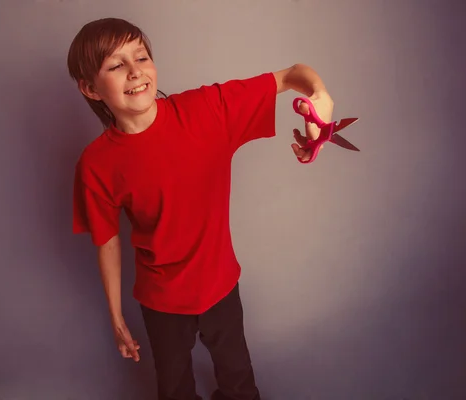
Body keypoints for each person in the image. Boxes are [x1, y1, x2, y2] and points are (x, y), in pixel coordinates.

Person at [67, 17, 334, 400]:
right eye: (115, 65)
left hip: (221, 286)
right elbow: (107, 242)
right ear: (90, 88)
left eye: (141, 57)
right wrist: (115, 315)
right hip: (161, 301)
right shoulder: (95, 164)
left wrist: (320, 100)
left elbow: (293, 75)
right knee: (174, 387)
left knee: (239, 380)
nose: (135, 72)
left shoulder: (207, 109)